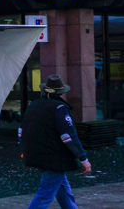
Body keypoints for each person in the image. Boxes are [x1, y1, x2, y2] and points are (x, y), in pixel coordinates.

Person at [20, 74, 92, 209]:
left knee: (63, 190)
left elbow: (21, 131)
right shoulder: (60, 108)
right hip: (55, 158)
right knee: (45, 195)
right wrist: (83, 159)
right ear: (61, 92)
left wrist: (25, 150)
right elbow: (68, 137)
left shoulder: (33, 106)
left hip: (37, 156)